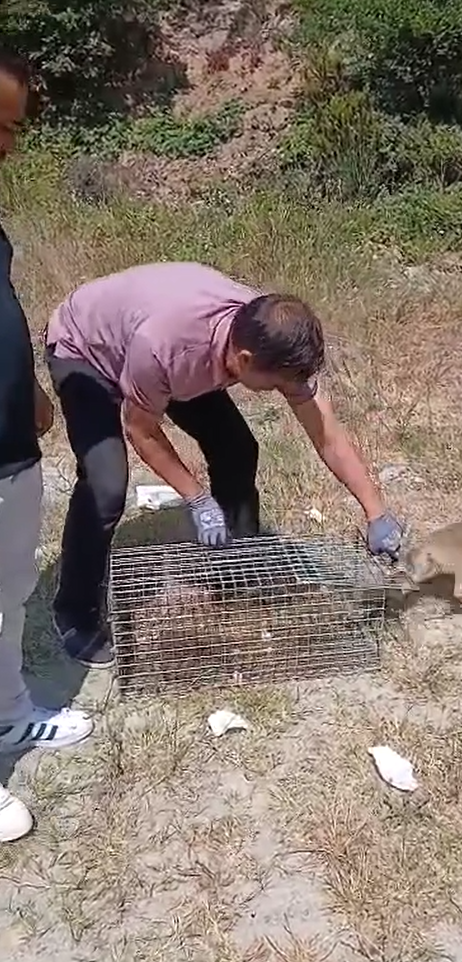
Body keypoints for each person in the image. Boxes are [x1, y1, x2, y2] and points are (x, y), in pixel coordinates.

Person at [45, 263, 407, 670]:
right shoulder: (166, 348)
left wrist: (376, 512)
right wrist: (197, 498)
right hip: (87, 352)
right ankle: (73, 610)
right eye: (274, 385)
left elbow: (327, 435)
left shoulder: (272, 339)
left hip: (173, 354)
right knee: (106, 485)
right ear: (245, 359)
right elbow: (142, 430)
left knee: (236, 448)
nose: (280, 393)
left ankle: (235, 566)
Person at [0, 50, 93, 843]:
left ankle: (10, 720)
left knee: (8, 595)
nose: (7, 147)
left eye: (13, 129)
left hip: (9, 449)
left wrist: (26, 387)